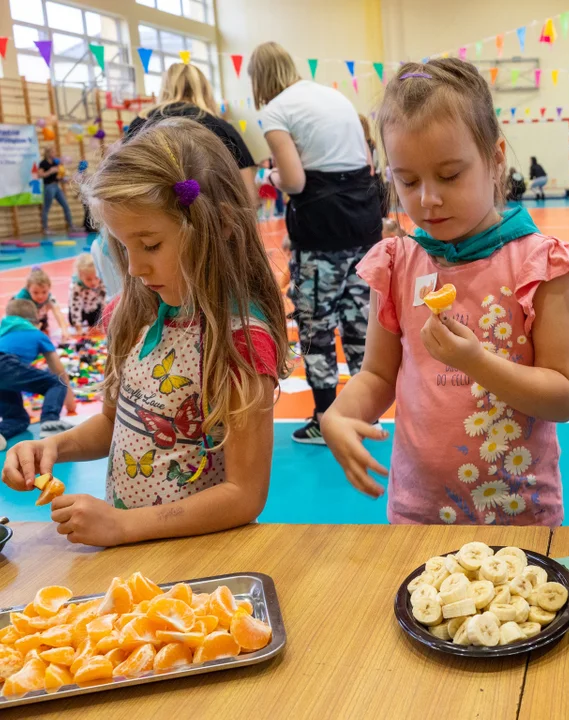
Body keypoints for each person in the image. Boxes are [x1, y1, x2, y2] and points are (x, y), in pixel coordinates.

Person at [319, 58, 569, 526]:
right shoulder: (397, 263)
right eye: (407, 180)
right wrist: (339, 415)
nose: (427, 198)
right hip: (418, 514)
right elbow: (377, 375)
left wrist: (476, 362)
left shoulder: (540, 266)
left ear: (495, 159)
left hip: (517, 514)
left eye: (449, 175)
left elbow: (565, 395)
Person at [1, 119, 289, 547]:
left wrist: (123, 526)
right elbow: (112, 424)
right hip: (133, 554)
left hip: (199, 557)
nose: (134, 269)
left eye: (150, 245)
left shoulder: (240, 343)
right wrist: (55, 448)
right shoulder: (134, 313)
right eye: (123, 247)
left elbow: (244, 495)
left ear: (220, 227)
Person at [250, 41, 382, 445]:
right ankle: (365, 416)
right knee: (360, 323)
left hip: (321, 231)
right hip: (364, 223)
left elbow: (295, 180)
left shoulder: (275, 110)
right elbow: (367, 164)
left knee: (316, 327)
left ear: (258, 79)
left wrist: (268, 178)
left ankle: (325, 417)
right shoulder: (332, 95)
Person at [126, 63, 257, 205]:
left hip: (151, 213)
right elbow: (249, 196)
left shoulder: (139, 124)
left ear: (165, 88)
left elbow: (124, 178)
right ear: (205, 90)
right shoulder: (222, 128)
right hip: (213, 218)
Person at [0, 298, 75, 448]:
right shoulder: (36, 333)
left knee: (18, 419)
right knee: (55, 382)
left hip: (4, 376)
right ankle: (50, 421)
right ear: (34, 321)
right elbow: (58, 371)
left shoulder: (3, 333)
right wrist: (70, 403)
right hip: (5, 365)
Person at [16, 267, 68, 337]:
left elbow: (58, 312)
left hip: (38, 315)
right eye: (35, 293)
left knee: (42, 327)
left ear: (49, 289)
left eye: (44, 292)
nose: (40, 296)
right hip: (23, 317)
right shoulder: (22, 298)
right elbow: (15, 317)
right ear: (28, 290)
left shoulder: (50, 297)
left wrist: (64, 330)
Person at [38, 147, 79, 235]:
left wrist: (64, 179)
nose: (55, 153)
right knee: (46, 208)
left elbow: (57, 177)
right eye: (53, 151)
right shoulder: (43, 163)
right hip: (48, 187)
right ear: (48, 153)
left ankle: (71, 226)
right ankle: (45, 229)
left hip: (56, 186)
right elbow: (40, 175)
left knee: (65, 205)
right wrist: (50, 171)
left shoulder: (55, 163)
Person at [68, 253, 106, 331]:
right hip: (80, 308)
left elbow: (104, 301)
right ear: (80, 276)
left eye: (96, 278)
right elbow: (75, 306)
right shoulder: (76, 286)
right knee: (73, 321)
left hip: (93, 307)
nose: (93, 282)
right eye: (88, 279)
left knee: (94, 322)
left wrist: (103, 322)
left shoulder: (101, 282)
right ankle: (78, 322)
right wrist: (78, 327)